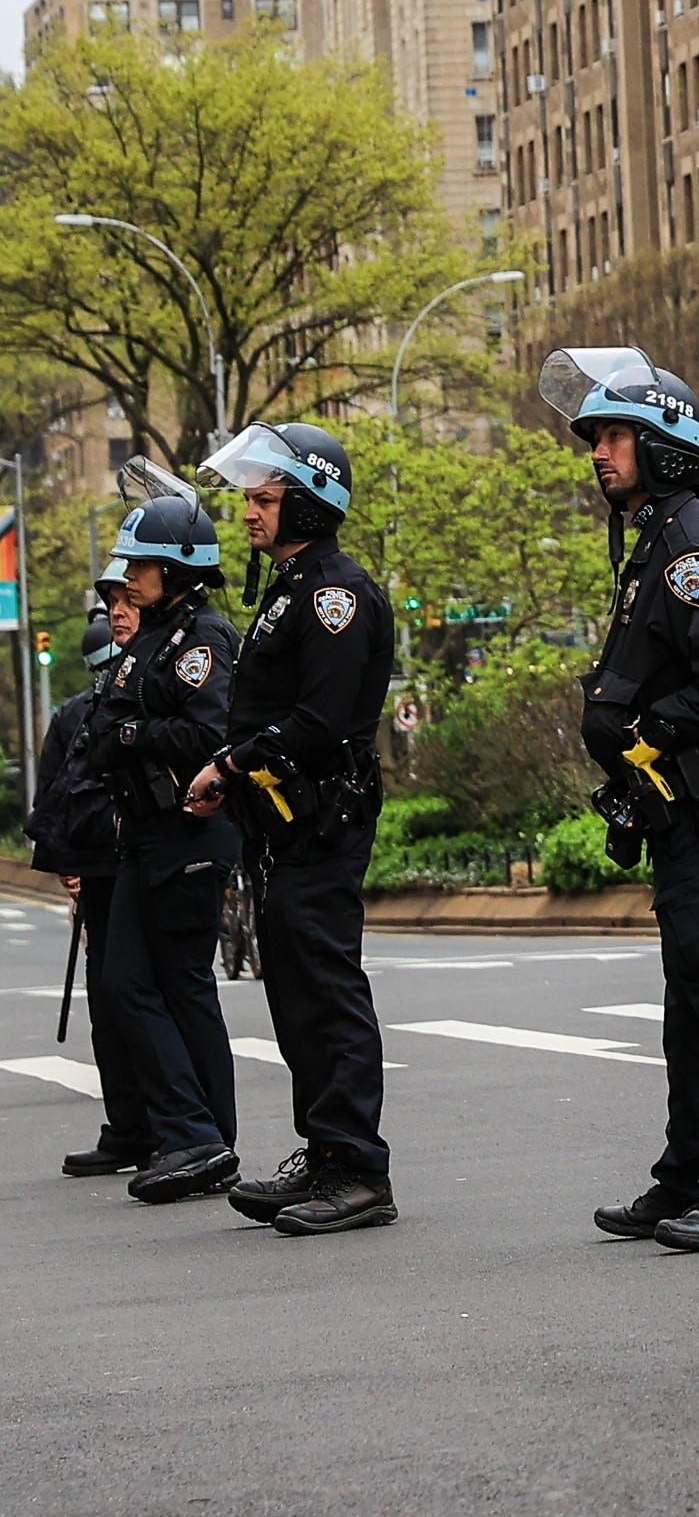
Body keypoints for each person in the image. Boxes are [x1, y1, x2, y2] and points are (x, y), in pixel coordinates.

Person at [541, 348, 699, 1253]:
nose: (598, 452)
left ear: (665, 444)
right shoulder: (651, 540)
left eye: (614, 435)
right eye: (594, 436)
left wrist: (649, 728)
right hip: (672, 806)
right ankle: (687, 1172)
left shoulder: (688, 543)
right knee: (689, 996)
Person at [188, 423, 398, 1236]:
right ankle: (323, 1151)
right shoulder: (287, 587)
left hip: (320, 819)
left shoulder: (333, 594)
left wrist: (231, 764)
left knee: (327, 990)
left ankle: (358, 1169)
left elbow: (320, 718)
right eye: (250, 496)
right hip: (282, 823)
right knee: (293, 992)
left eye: (266, 498)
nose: (248, 511)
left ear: (308, 502)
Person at [84, 491, 242, 1205]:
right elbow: (108, 719)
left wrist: (129, 736)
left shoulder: (203, 639)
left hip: (187, 831)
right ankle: (198, 1131)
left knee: (174, 983)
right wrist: (122, 733)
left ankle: (198, 1135)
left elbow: (203, 733)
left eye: (141, 565)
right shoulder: (153, 637)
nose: (129, 578)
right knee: (132, 983)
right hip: (144, 835)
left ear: (180, 568)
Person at [25, 595, 150, 1176]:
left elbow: (49, 803)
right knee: (119, 998)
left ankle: (155, 1127)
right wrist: (73, 867)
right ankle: (138, 1127)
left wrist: (68, 866)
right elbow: (55, 798)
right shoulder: (79, 714)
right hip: (109, 871)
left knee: (125, 997)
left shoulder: (133, 701)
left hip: (137, 865)